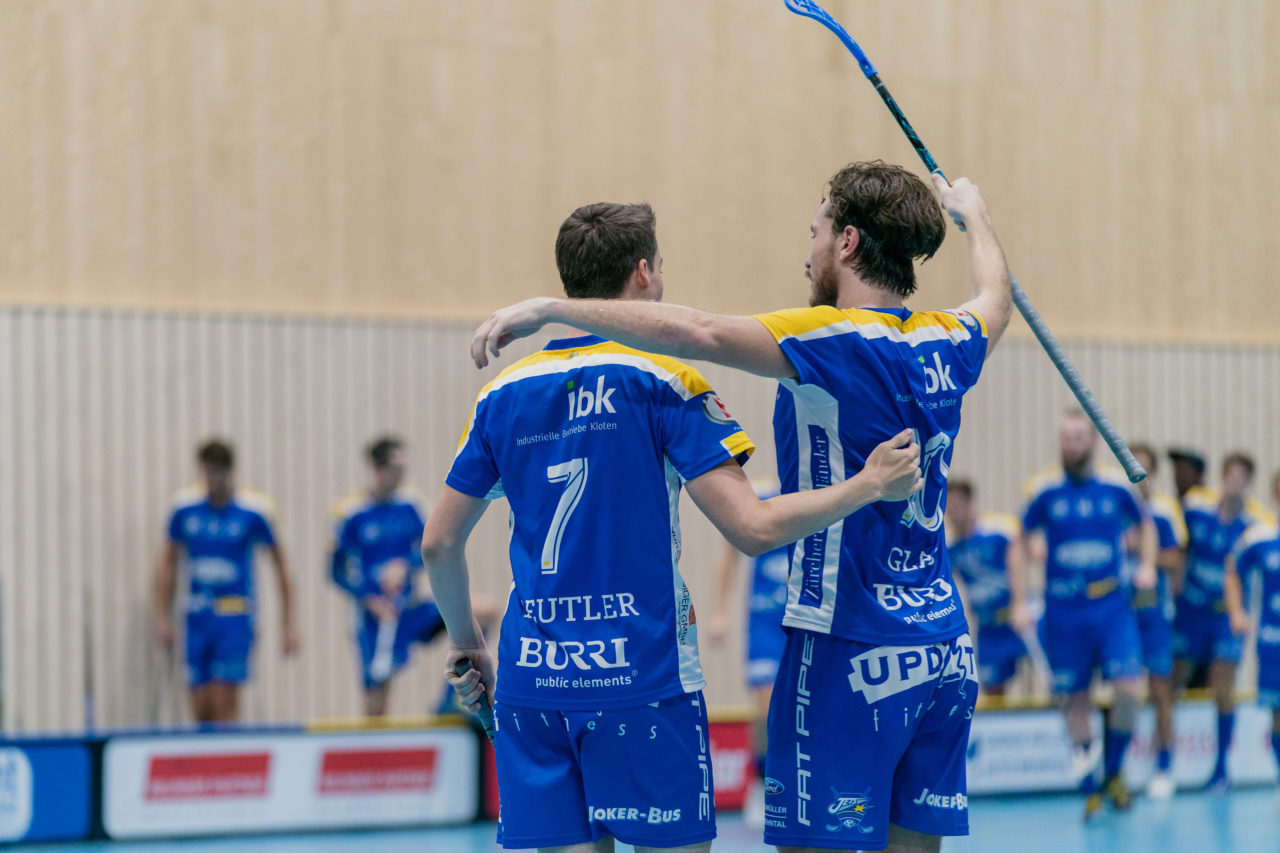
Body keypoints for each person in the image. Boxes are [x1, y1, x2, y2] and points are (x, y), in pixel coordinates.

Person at [468, 161, 1014, 853]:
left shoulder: (832, 338)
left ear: (846, 242)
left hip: (850, 645)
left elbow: (698, 331)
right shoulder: (950, 339)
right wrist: (978, 218)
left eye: (814, 231)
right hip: (943, 647)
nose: (806, 250)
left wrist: (552, 308)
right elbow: (996, 296)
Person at [1021, 411, 1157, 817]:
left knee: (1129, 689)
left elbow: (1146, 524)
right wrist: (1026, 570)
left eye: (1079, 438)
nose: (1071, 445)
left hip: (1111, 606)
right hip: (1064, 612)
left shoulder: (1116, 487)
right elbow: (1021, 537)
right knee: (1074, 700)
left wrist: (1147, 565)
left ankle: (1111, 771)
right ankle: (1089, 784)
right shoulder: (1044, 489)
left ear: (1093, 443)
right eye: (1065, 438)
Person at [330, 436, 495, 717]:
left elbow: (431, 548)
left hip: (410, 608)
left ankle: (449, 703)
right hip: (376, 619)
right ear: (377, 468)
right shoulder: (351, 513)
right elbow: (335, 571)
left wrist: (404, 565)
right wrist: (368, 599)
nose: (400, 474)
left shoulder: (410, 504)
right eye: (395, 467)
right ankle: (374, 757)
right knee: (376, 701)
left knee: (485, 611)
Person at [153, 439, 298, 723]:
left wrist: (287, 623)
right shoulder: (185, 509)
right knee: (200, 708)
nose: (213, 479)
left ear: (230, 472)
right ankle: (206, 766)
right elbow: (168, 563)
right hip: (196, 616)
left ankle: (227, 763)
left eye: (219, 472)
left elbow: (280, 566)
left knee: (224, 704)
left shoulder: (254, 510)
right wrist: (162, 617)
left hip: (234, 615)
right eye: (208, 472)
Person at [1173, 452, 1274, 791]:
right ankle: (1164, 761)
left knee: (1223, 687)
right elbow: (1176, 543)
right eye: (1230, 475)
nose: (1235, 482)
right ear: (1221, 477)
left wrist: (1238, 612)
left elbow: (1238, 574)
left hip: (1225, 621)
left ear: (1249, 483)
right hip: (1190, 612)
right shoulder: (1195, 509)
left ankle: (1221, 769)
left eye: (1242, 477)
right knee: (1173, 679)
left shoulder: (1253, 526)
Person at [706, 480, 790, 825]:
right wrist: (720, 611)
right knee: (766, 709)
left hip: (803, 623)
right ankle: (760, 786)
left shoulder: (820, 495)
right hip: (764, 623)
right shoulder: (762, 498)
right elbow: (730, 553)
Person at [1123, 444, 1187, 799]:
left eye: (1145, 472)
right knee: (1126, 690)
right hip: (1122, 616)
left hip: (1156, 615)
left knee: (1161, 690)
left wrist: (1144, 552)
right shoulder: (1117, 509)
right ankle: (1123, 765)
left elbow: (1176, 559)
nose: (1138, 479)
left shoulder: (1165, 511)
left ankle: (1165, 764)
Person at [945, 478, 1030, 697]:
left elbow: (1017, 556)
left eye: (957, 504)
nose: (953, 510)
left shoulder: (997, 530)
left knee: (1051, 676)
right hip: (988, 628)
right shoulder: (951, 547)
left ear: (970, 502)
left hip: (1016, 620)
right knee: (992, 689)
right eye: (948, 505)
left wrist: (1019, 603)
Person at [1227, 515, 1280, 807]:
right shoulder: (1259, 538)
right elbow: (1233, 571)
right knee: (1278, 715)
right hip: (1273, 642)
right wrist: (1236, 611)